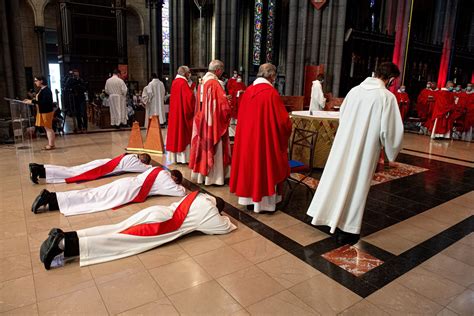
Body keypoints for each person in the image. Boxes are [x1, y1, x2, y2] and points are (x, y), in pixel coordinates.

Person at [306, 62, 404, 244]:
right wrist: (391, 150)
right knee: (356, 185)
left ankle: (328, 218)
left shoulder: (354, 91)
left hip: (344, 145)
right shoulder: (386, 97)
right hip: (364, 149)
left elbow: (343, 115)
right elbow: (390, 131)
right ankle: (347, 229)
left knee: (338, 179)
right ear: (390, 79)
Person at [38, 192, 236, 270]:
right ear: (217, 208)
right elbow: (224, 228)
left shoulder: (197, 196)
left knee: (115, 228)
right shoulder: (210, 212)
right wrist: (225, 217)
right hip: (162, 226)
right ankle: (64, 246)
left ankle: (66, 236)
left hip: (157, 212)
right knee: (118, 241)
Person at [230, 63, 292, 213]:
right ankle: (265, 204)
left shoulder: (248, 91)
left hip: (247, 142)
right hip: (264, 143)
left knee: (250, 168)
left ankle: (249, 200)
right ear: (271, 76)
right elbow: (283, 122)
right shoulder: (271, 93)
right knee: (264, 168)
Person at [31, 167, 186, 216]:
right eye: (176, 180)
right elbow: (180, 192)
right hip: (128, 191)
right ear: (174, 177)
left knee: (93, 194)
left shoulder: (157, 170)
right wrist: (179, 184)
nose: (175, 183)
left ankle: (53, 199)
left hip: (126, 183)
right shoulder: (167, 179)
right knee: (94, 199)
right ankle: (51, 198)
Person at [189, 60, 232, 186]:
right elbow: (222, 106)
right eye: (222, 71)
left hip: (202, 119)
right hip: (213, 123)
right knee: (216, 148)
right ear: (218, 70)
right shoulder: (215, 83)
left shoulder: (202, 82)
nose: (222, 74)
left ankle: (201, 176)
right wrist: (227, 101)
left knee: (201, 146)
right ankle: (214, 178)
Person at [28, 153, 152, 184]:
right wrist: (148, 165)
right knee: (73, 173)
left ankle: (39, 167)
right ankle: (38, 170)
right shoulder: (134, 161)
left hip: (102, 163)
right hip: (102, 167)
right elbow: (146, 169)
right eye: (144, 160)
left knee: (71, 169)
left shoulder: (129, 155)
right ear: (142, 160)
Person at [166, 66, 195, 164]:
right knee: (182, 134)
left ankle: (175, 158)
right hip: (182, 114)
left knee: (175, 134)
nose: (189, 74)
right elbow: (189, 100)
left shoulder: (175, 82)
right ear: (185, 73)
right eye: (188, 72)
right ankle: (183, 159)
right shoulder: (183, 83)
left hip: (175, 113)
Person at [23, 75, 56, 150]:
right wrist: (31, 100)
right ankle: (51, 144)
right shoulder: (41, 89)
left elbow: (44, 102)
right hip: (42, 111)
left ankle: (51, 145)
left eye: (36, 80)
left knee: (48, 128)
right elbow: (39, 100)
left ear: (41, 81)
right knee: (47, 128)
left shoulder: (46, 90)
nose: (35, 82)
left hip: (46, 111)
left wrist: (32, 101)